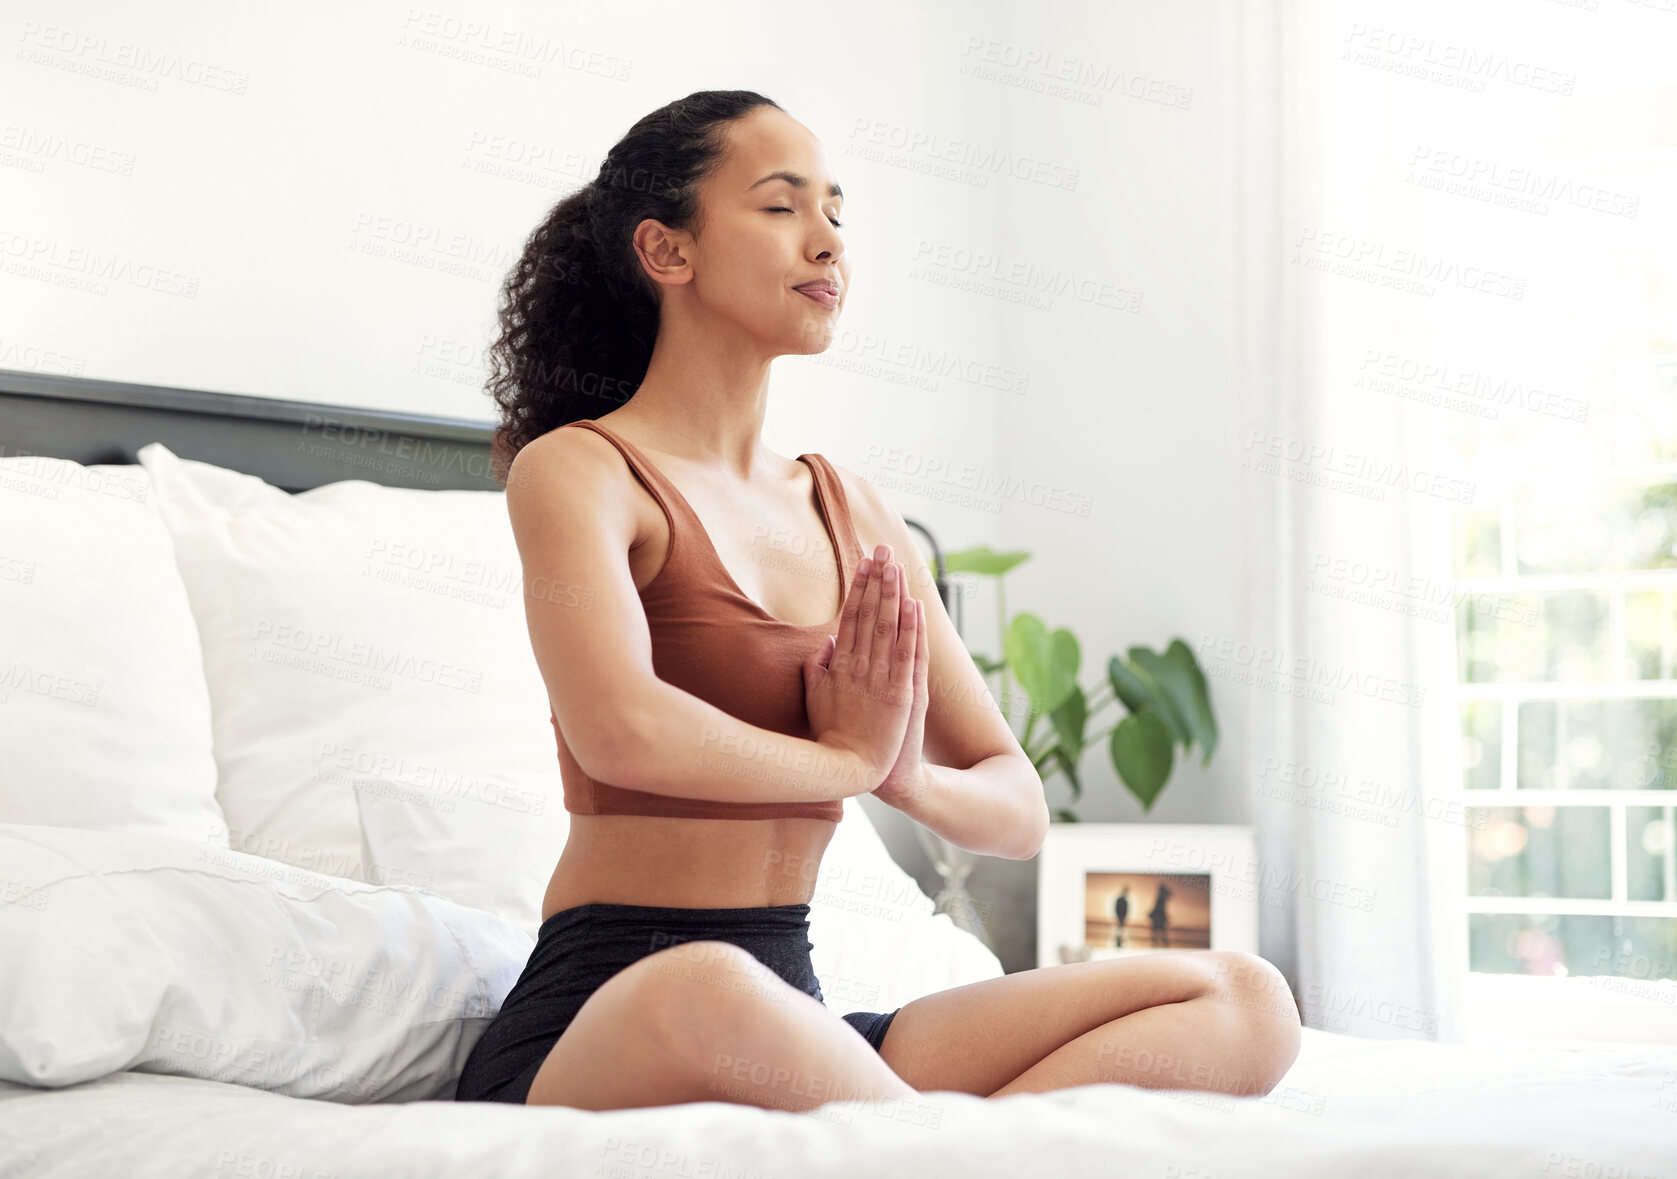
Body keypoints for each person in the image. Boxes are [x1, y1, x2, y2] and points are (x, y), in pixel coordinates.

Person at [453, 89, 1302, 1114]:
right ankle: (930, 1141)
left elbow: (1017, 805)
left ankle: (924, 1143)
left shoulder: (854, 513)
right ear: (666, 252)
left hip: (795, 1012)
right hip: (613, 1009)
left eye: (837, 215)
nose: (827, 243)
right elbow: (620, 732)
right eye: (781, 208)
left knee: (1243, 998)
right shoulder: (581, 471)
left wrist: (902, 777)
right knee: (707, 982)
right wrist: (844, 761)